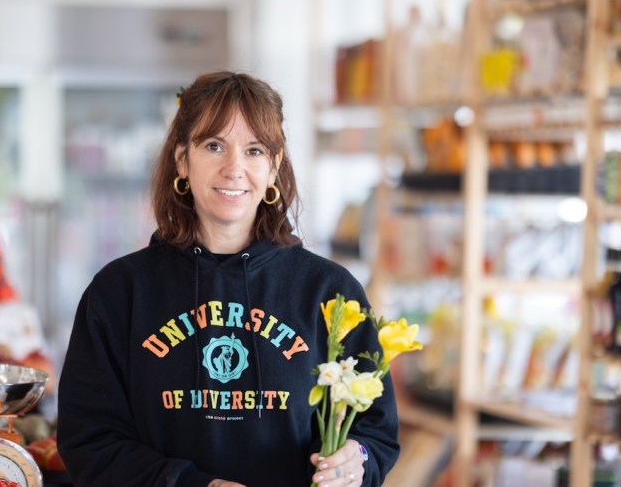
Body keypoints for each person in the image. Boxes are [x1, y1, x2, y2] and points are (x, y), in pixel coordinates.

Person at [57, 71, 399, 487]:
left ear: (274, 167)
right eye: (214, 146)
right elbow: (89, 442)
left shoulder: (329, 292)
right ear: (182, 160)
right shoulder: (119, 293)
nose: (234, 168)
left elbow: (375, 434)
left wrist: (356, 460)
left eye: (254, 151)